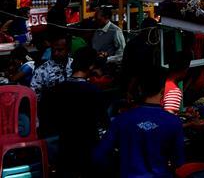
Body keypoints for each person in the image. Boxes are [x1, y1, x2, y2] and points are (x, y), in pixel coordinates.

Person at [93, 65, 186, 177]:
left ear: (140, 89)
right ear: (163, 90)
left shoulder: (122, 119)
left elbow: (99, 155)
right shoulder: (173, 122)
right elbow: (179, 162)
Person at [39, 47, 107, 178]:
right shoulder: (93, 91)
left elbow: (47, 120)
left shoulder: (56, 90)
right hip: (88, 151)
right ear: (91, 66)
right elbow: (103, 123)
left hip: (64, 149)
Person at [30, 33, 72, 99]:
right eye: (53, 50)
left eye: (60, 50)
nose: (55, 53)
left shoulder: (75, 64)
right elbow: (34, 95)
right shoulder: (41, 70)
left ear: (68, 50)